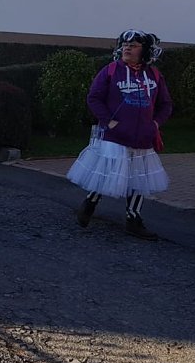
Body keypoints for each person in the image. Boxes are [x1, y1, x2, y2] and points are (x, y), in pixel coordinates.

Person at [67, 29, 173, 241]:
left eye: (133, 45)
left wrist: (155, 123)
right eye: (125, 45)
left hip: (143, 138)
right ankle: (90, 203)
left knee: (139, 178)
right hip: (115, 136)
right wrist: (110, 122)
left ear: (144, 51)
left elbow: (166, 104)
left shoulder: (154, 75)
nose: (127, 48)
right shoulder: (111, 71)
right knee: (109, 173)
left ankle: (133, 219)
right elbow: (94, 98)